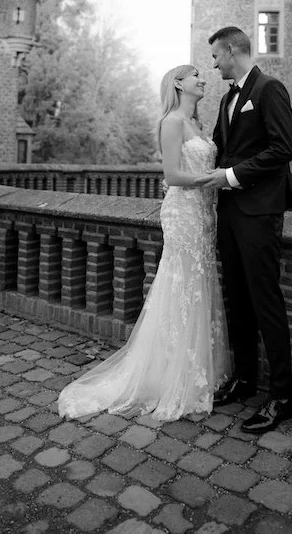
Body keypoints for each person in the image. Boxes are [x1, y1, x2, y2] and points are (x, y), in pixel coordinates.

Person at [58, 64, 230, 421]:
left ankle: (193, 369)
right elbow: (171, 175)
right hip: (183, 214)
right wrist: (212, 179)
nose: (203, 79)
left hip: (204, 215)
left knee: (198, 286)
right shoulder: (171, 122)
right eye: (195, 74)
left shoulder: (198, 123)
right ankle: (170, 376)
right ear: (179, 84)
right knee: (181, 286)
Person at [196, 26, 292, 434]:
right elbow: (219, 148)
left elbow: (283, 149)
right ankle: (244, 380)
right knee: (236, 300)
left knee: (265, 302)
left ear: (234, 50)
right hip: (230, 213)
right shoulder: (225, 99)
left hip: (259, 214)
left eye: (217, 56)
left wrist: (233, 175)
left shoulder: (270, 89)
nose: (213, 63)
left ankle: (283, 398)